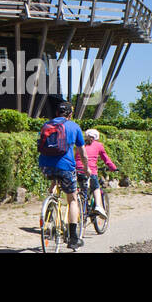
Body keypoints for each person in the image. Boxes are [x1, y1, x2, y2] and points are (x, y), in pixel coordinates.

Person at [37, 100, 88, 248]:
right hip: (65, 167)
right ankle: (73, 238)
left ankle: (50, 208)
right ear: (70, 114)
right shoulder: (74, 126)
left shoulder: (47, 125)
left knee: (55, 179)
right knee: (72, 199)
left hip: (45, 166)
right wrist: (85, 167)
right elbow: (83, 153)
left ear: (56, 113)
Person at [76, 129, 119, 215]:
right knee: (96, 187)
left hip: (78, 170)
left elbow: (76, 158)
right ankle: (98, 206)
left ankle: (82, 210)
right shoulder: (99, 145)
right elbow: (106, 159)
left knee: (83, 190)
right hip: (90, 170)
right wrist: (113, 168)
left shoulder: (80, 145)